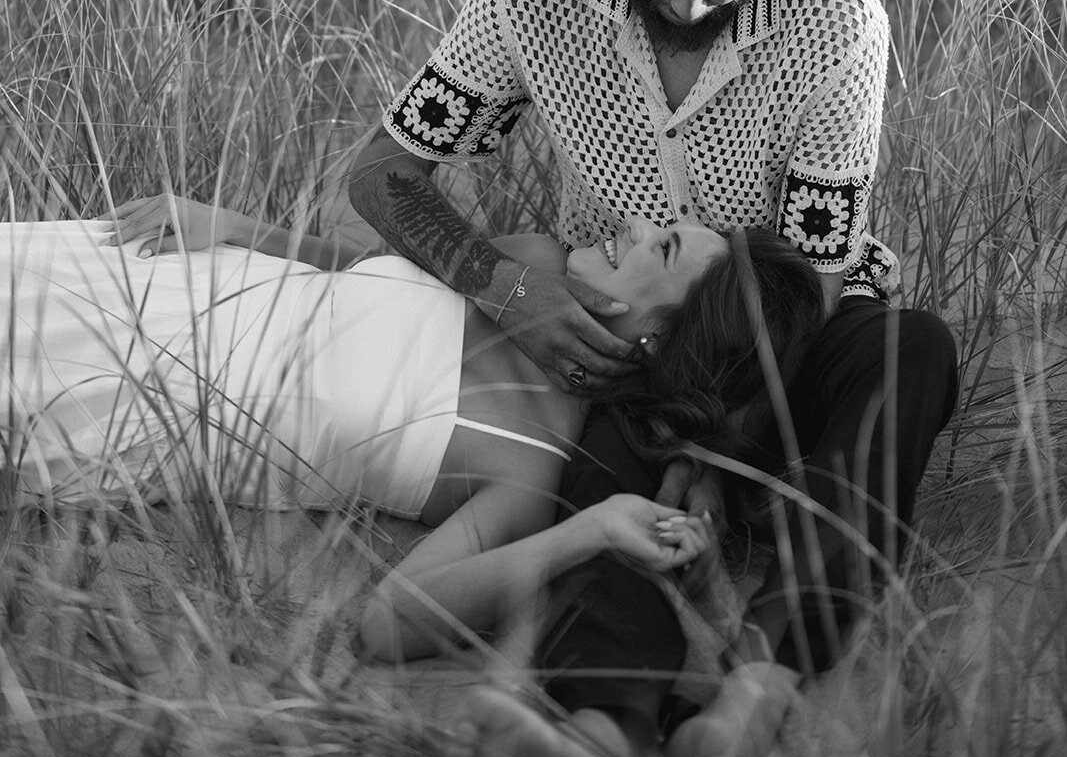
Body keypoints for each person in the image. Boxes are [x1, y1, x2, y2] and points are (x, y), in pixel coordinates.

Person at [338, 0, 959, 757]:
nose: (691, 8)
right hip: (630, 322)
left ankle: (757, 685)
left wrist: (710, 445)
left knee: (910, 346)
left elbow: (817, 268)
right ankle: (602, 723)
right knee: (614, 462)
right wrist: (503, 288)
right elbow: (383, 169)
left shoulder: (838, 19)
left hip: (783, 317)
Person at [0, 202, 824, 662]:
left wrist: (593, 528)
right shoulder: (526, 260)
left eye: (664, 241)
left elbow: (389, 622)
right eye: (661, 218)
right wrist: (237, 226)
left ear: (657, 336)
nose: (636, 222)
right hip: (131, 274)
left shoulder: (523, 464)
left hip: (117, 403)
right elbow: (358, 274)